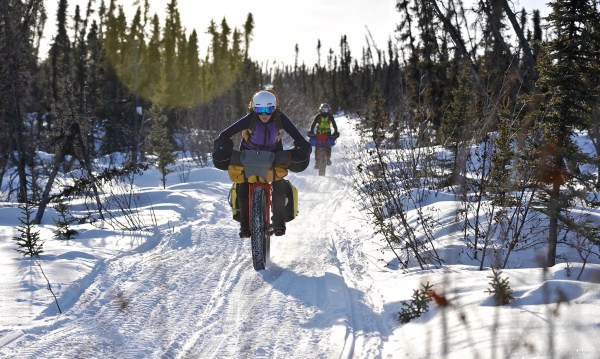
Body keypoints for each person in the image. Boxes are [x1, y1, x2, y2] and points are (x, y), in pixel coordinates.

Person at [214, 90, 311, 238]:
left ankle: (279, 222)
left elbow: (297, 136)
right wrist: (222, 146)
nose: (264, 114)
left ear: (274, 109)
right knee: (243, 183)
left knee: (278, 182)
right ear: (254, 108)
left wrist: (302, 146)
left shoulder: (280, 118)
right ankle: (245, 225)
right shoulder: (250, 119)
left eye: (268, 109)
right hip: (249, 154)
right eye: (259, 109)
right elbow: (225, 134)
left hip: (274, 154)